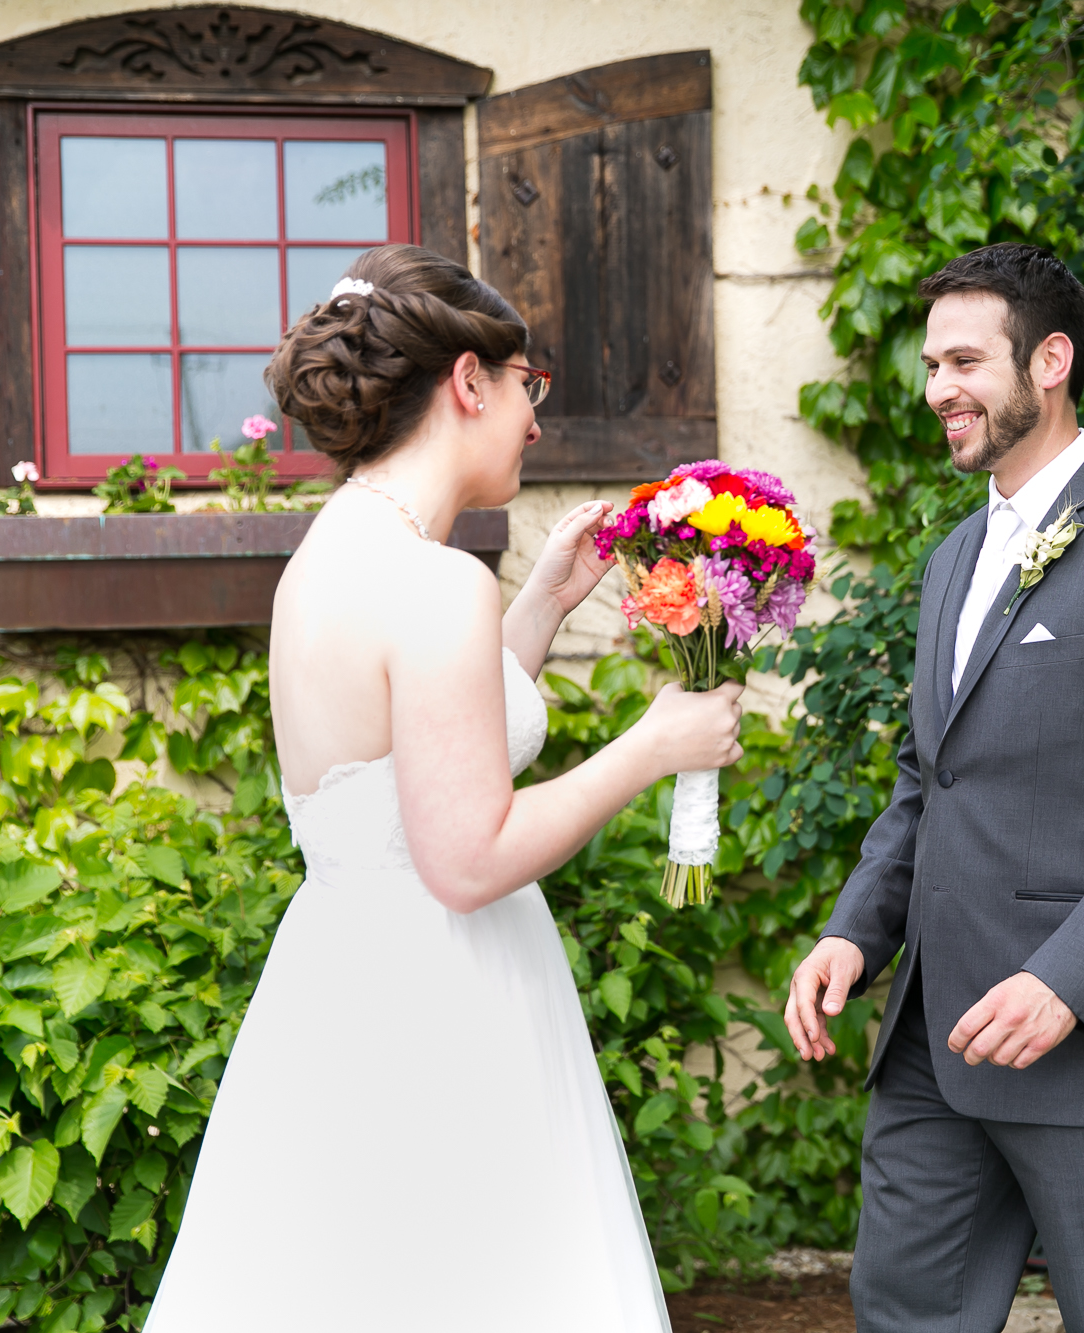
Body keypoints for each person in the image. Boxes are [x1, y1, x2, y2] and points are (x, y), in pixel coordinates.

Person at [148, 243, 739, 1330]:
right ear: (468, 380)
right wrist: (653, 746)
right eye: (528, 385)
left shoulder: (334, 556)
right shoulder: (434, 581)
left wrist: (545, 602)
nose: (536, 419)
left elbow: (413, 745)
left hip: (340, 986)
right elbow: (466, 858)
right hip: (442, 1010)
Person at [783, 243, 1084, 1333]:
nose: (936, 388)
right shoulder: (951, 557)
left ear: (1048, 360)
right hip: (931, 1042)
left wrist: (1069, 981)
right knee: (901, 1310)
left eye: (961, 361)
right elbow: (927, 780)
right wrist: (858, 930)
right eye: (929, 365)